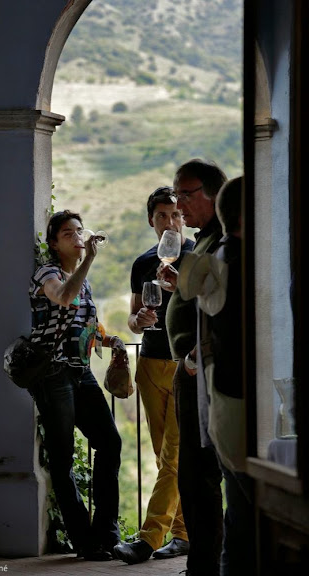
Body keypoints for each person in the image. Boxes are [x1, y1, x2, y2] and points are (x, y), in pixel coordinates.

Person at [29, 210, 123, 561]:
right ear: (54, 243)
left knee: (109, 442)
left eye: (79, 231)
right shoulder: (47, 273)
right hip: (52, 372)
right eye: (68, 233)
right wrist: (89, 262)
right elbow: (63, 299)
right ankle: (85, 542)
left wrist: (108, 339)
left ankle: (106, 534)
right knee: (63, 456)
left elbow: (83, 325)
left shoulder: (83, 279)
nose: (78, 236)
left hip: (79, 370)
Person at [113, 186, 194, 565]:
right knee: (166, 459)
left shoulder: (197, 255)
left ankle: (149, 538)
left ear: (184, 217)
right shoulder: (143, 263)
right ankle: (183, 534)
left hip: (185, 366)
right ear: (152, 221)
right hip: (149, 365)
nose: (170, 221)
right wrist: (139, 320)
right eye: (162, 215)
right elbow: (132, 319)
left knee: (176, 457)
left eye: (175, 214)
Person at [161, 159, 227, 576]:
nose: (178, 203)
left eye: (186, 194)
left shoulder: (224, 243)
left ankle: (206, 565)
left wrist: (192, 358)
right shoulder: (203, 240)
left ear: (213, 193)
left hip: (202, 371)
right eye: (176, 193)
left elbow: (224, 307)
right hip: (191, 370)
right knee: (191, 474)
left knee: (200, 474)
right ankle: (203, 561)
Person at [199, 176, 256, 576]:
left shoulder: (217, 258)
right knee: (249, 516)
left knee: (238, 515)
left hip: (222, 396)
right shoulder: (239, 265)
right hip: (241, 400)